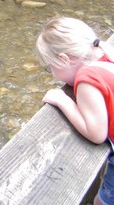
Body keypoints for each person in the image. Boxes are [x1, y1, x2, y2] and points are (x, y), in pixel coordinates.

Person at [36, 16, 114, 205]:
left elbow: (96, 134)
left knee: (101, 202)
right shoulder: (105, 55)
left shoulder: (87, 78)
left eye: (50, 67)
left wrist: (64, 101)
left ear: (64, 59)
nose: (53, 74)